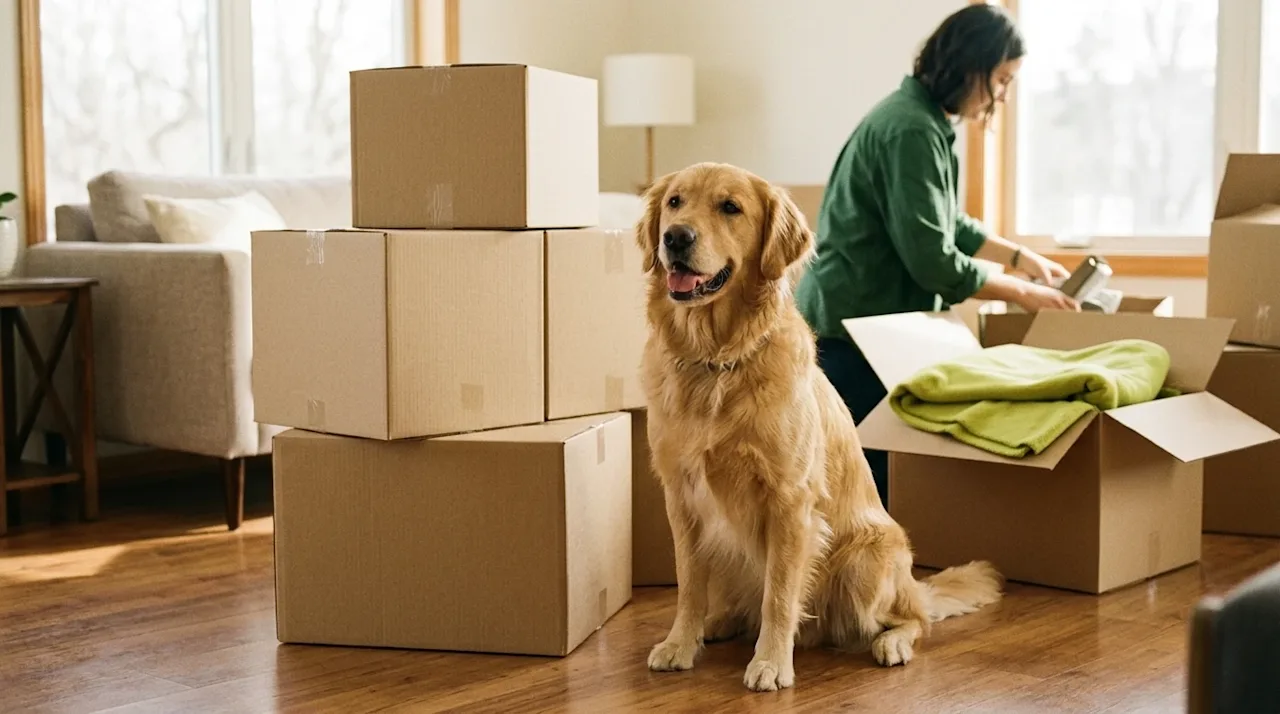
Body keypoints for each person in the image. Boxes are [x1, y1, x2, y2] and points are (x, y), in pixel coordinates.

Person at [794, 3, 1079, 507]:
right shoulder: (911, 131)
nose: (1005, 97)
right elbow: (933, 260)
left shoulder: (924, 122)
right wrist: (1022, 292)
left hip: (868, 320)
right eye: (1003, 80)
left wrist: (1020, 257)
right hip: (853, 326)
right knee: (860, 487)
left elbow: (947, 221)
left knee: (869, 484)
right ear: (971, 69)